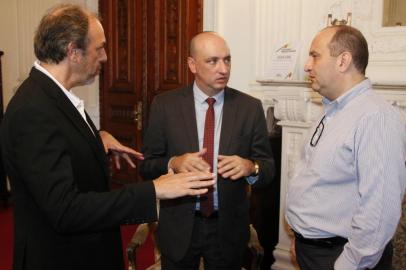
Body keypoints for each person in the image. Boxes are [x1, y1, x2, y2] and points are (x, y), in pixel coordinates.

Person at [0, 4, 215, 270]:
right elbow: (65, 210)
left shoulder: (52, 96)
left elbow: (58, 144)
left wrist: (95, 138)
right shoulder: (33, 109)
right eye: (99, 48)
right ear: (73, 51)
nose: (105, 57)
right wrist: (154, 189)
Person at [140, 31, 275, 269]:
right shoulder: (165, 105)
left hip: (228, 228)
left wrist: (249, 167)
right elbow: (147, 165)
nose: (223, 69)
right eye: (213, 61)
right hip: (180, 225)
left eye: (227, 60)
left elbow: (268, 169)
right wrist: (173, 162)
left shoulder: (249, 108)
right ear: (192, 64)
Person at [285, 25, 406, 270]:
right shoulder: (331, 110)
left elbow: (379, 213)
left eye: (315, 55)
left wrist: (347, 265)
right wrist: (302, 238)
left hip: (342, 258)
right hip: (315, 250)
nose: (307, 65)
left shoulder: (376, 118)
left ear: (343, 61)